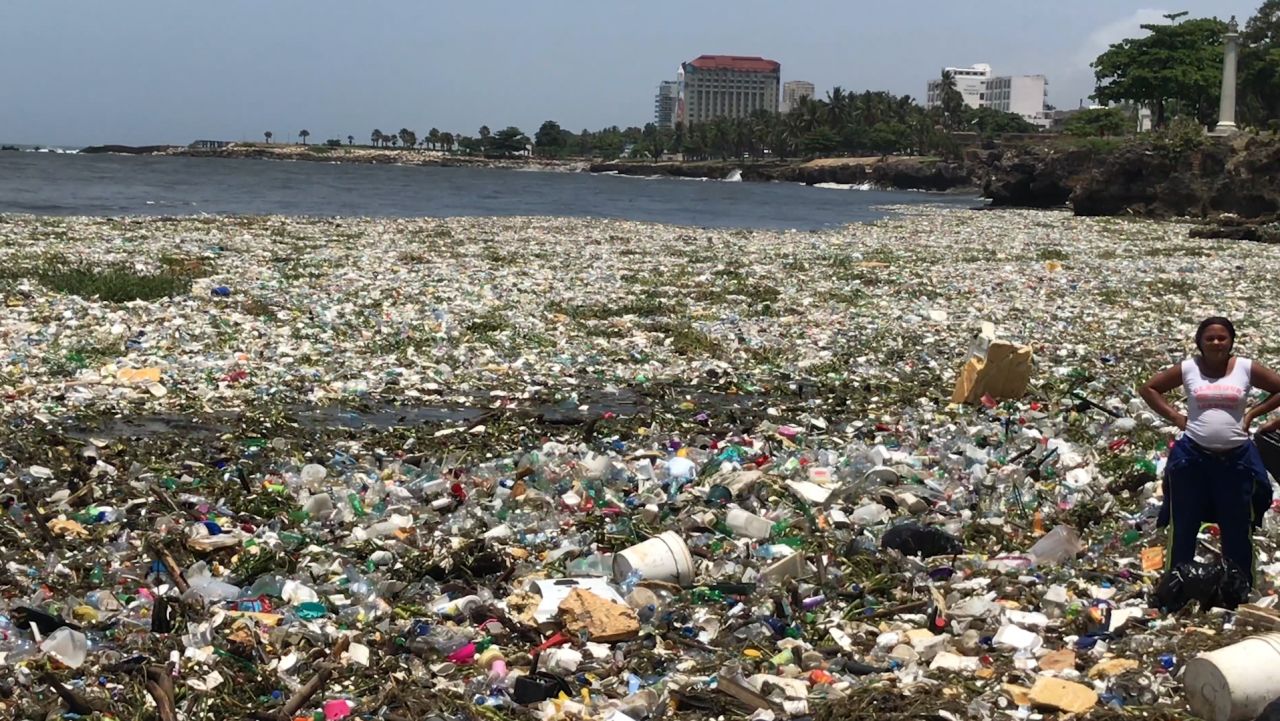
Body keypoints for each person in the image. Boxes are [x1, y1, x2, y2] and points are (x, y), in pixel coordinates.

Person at [1140, 317, 1280, 589]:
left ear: (1231, 341)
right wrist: (1177, 417)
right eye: (1210, 338)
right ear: (1200, 342)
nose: (1216, 343)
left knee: (1238, 526)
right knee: (1184, 523)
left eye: (1222, 338)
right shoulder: (1189, 368)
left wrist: (1253, 413)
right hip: (1193, 457)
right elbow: (1149, 388)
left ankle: (1238, 586)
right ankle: (1176, 584)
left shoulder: (1245, 368)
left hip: (1236, 459)